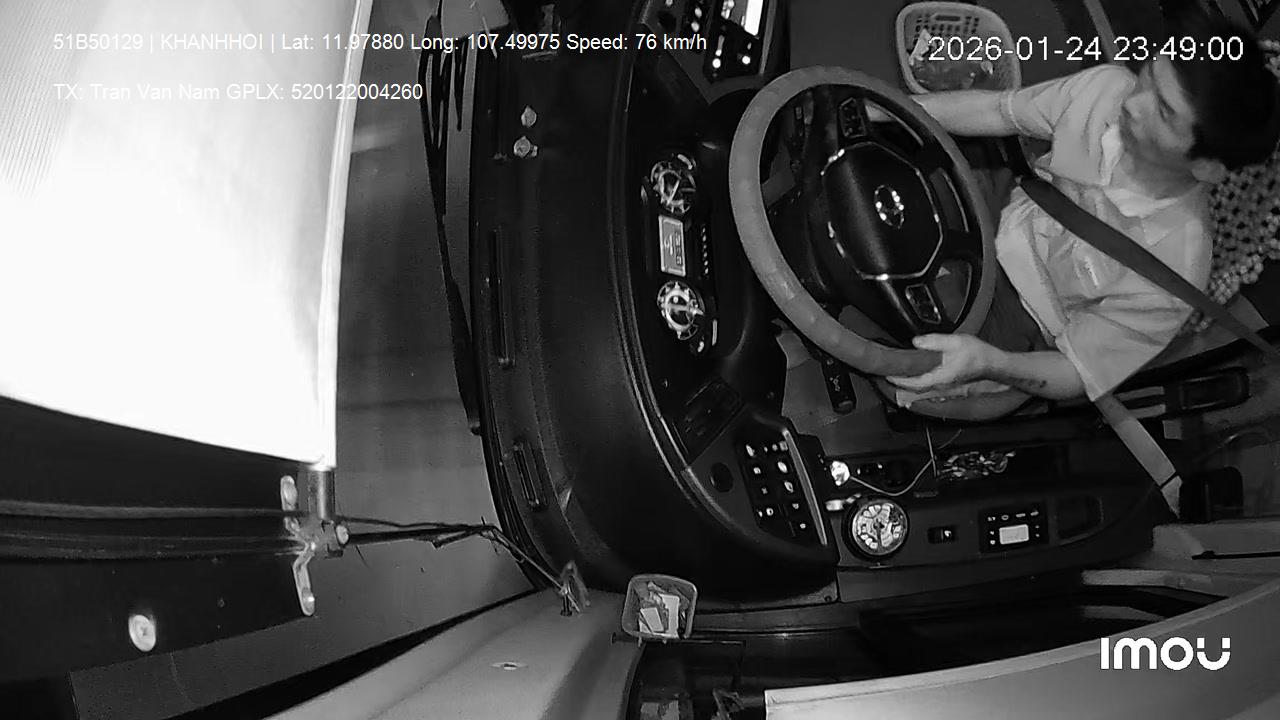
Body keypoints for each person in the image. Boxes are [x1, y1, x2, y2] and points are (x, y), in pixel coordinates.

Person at [882, 14, 1280, 420]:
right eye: (1150, 75)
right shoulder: (1106, 90)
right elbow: (998, 111)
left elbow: (1075, 370)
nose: (1132, 103)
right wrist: (886, 107)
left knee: (897, 356)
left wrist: (986, 362)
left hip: (1024, 316)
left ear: (1207, 167)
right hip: (1004, 207)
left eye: (1163, 111)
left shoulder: (1176, 271)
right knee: (879, 180)